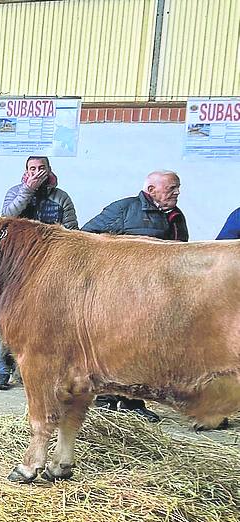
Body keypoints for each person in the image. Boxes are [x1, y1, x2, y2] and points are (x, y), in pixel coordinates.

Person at [82, 170, 188, 422]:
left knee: (142, 349)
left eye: (177, 188)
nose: (177, 192)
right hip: (120, 292)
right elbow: (85, 236)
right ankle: (106, 400)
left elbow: (182, 249)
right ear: (151, 190)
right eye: (171, 188)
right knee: (113, 346)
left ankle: (132, 402)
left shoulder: (176, 217)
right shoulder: (124, 209)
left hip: (155, 295)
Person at [0, 156, 79, 390]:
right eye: (32, 169)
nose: (37, 172)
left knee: (45, 321)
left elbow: (72, 230)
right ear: (26, 171)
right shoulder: (15, 191)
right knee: (8, 318)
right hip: (16, 267)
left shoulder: (61, 198)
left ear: (49, 170)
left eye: (41, 168)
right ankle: (2, 370)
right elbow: (6, 216)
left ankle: (39, 371)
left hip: (49, 268)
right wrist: (27, 191)